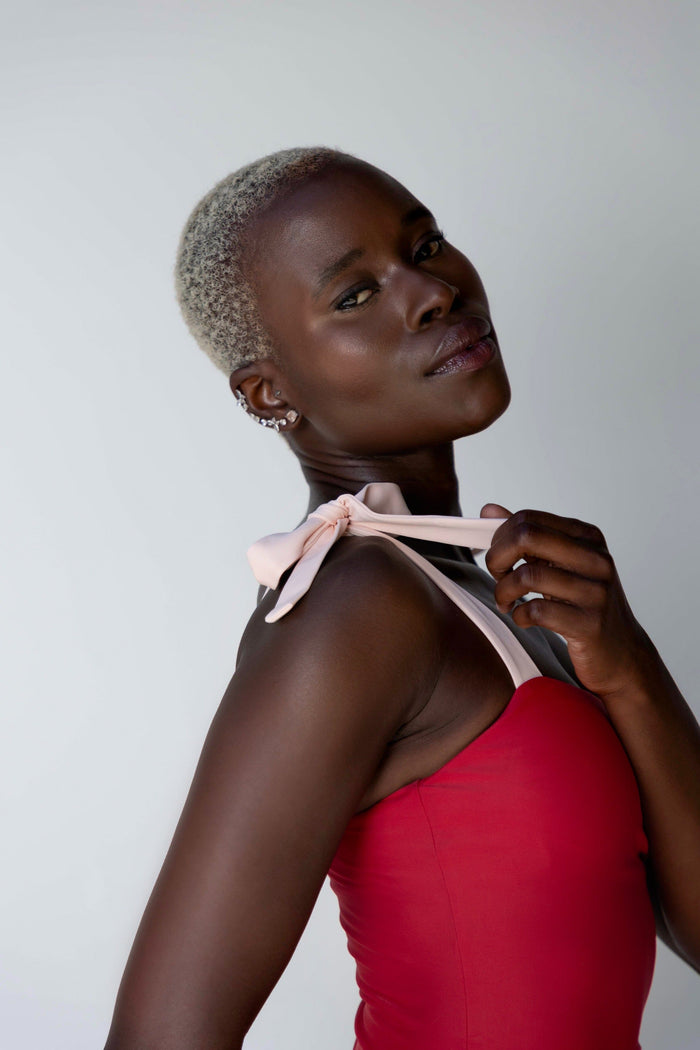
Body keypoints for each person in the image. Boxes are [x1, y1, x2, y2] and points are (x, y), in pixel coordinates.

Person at [104, 146, 700, 1050]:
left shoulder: (492, 591)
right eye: (354, 296)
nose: (432, 293)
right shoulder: (354, 611)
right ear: (270, 392)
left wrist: (631, 668)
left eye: (426, 247)